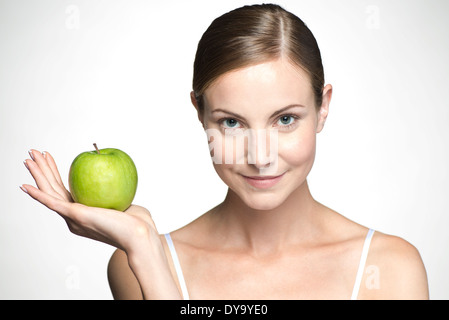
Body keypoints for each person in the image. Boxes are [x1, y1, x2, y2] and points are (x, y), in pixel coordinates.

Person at [21, 4, 428, 299]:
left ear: (323, 108)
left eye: (285, 119)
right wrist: (145, 250)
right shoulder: (139, 260)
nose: (260, 155)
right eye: (232, 123)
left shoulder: (389, 269)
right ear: (199, 113)